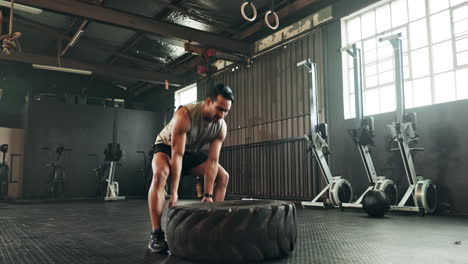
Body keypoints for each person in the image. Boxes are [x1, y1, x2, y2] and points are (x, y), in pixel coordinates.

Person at [147, 83, 234, 253]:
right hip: (166, 147)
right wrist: (174, 193)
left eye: (226, 111)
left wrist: (208, 195)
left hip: (191, 151)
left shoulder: (221, 126)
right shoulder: (185, 114)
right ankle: (156, 234)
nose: (221, 115)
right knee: (160, 174)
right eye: (219, 109)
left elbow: (213, 161)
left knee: (223, 176)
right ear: (209, 102)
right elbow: (177, 154)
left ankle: (212, 228)